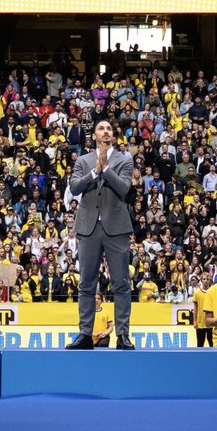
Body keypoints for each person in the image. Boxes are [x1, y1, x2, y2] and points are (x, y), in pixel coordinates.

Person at [68, 120, 136, 349]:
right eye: (101, 129)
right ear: (94, 136)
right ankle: (85, 334)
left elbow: (124, 188)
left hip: (116, 227)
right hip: (88, 228)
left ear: (113, 136)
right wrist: (94, 172)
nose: (106, 132)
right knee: (86, 284)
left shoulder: (125, 160)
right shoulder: (83, 160)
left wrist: (106, 169)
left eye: (109, 129)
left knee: (121, 283)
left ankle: (123, 335)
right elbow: (75, 187)